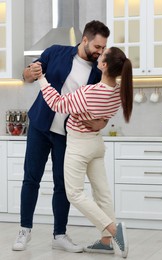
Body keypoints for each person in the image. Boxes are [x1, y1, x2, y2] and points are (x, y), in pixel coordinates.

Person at [12, 20, 110, 252]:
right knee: (31, 178)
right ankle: (24, 230)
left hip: (69, 134)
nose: (100, 52)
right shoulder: (55, 51)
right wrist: (30, 71)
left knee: (63, 185)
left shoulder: (98, 71)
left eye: (104, 48)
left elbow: (102, 103)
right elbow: (27, 76)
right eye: (97, 46)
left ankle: (59, 235)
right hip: (39, 126)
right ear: (84, 40)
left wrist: (100, 121)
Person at [38, 46, 133, 258]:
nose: (99, 55)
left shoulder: (90, 92)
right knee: (102, 193)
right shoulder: (118, 92)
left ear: (105, 65)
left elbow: (57, 103)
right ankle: (106, 242)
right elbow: (102, 118)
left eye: (103, 54)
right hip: (96, 145)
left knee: (74, 193)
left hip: (79, 145)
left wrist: (42, 80)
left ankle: (113, 231)